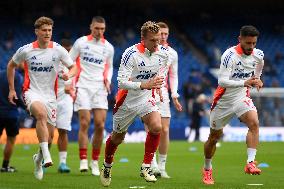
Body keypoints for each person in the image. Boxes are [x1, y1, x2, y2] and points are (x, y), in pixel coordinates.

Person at [100, 21, 169, 187]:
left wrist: (158, 85)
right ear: (142, 39)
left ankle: (146, 166)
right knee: (117, 138)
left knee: (157, 127)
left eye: (158, 40)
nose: (157, 44)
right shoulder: (130, 54)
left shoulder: (164, 53)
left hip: (146, 97)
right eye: (153, 40)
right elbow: (121, 82)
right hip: (127, 100)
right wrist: (144, 84)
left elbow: (162, 71)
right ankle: (107, 165)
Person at [7, 16, 77, 180]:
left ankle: (38, 160)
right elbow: (11, 65)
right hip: (31, 92)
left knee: (51, 136)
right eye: (44, 30)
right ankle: (47, 157)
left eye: (50, 30)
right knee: (41, 114)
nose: (47, 33)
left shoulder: (58, 49)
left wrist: (68, 75)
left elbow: (73, 67)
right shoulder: (26, 50)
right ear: (36, 31)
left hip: (51, 96)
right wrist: (11, 90)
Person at [202, 25, 264, 185]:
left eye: (254, 43)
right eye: (248, 43)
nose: (251, 47)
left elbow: (259, 66)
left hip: (241, 97)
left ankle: (250, 163)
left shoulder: (258, 55)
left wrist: (257, 78)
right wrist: (245, 81)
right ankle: (207, 169)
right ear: (240, 39)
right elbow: (221, 81)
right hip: (222, 102)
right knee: (214, 138)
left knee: (254, 123)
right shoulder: (229, 55)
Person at [69, 16, 114, 175]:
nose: (99, 31)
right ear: (91, 27)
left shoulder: (108, 47)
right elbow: (69, 60)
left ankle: (95, 161)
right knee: (84, 123)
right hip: (83, 86)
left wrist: (108, 79)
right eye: (97, 28)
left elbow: (109, 67)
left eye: (102, 29)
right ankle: (83, 160)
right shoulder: (81, 43)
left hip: (100, 89)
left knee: (101, 125)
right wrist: (69, 81)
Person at [147, 22, 182, 179]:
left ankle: (162, 167)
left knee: (165, 130)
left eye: (166, 34)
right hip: (147, 92)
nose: (163, 36)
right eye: (161, 33)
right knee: (151, 128)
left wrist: (174, 94)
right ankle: (151, 164)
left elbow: (173, 75)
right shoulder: (148, 49)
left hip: (163, 93)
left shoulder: (172, 53)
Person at [0, 68, 25, 172]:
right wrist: (26, 108)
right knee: (10, 139)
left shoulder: (0, 74)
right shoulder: (18, 77)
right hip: (11, 113)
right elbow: (17, 96)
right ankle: (5, 166)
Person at [56, 39, 75, 173]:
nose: (68, 52)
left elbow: (73, 85)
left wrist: (72, 91)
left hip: (66, 101)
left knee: (63, 131)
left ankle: (63, 163)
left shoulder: (73, 66)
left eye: (70, 50)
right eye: (66, 50)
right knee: (48, 133)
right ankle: (43, 159)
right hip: (50, 99)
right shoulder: (53, 63)